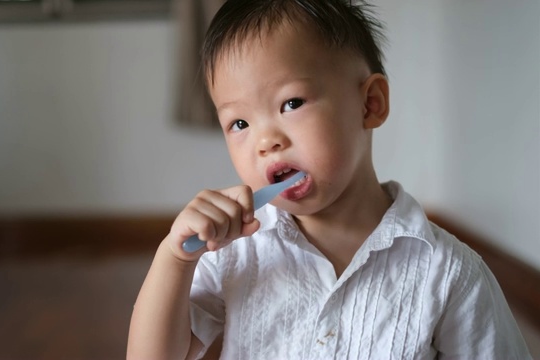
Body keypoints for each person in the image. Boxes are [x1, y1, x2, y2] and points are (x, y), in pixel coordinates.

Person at [127, 0, 531, 358]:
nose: (265, 141)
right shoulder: (236, 253)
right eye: (239, 123)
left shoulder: (449, 273)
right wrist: (175, 260)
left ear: (370, 104)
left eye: (291, 103)